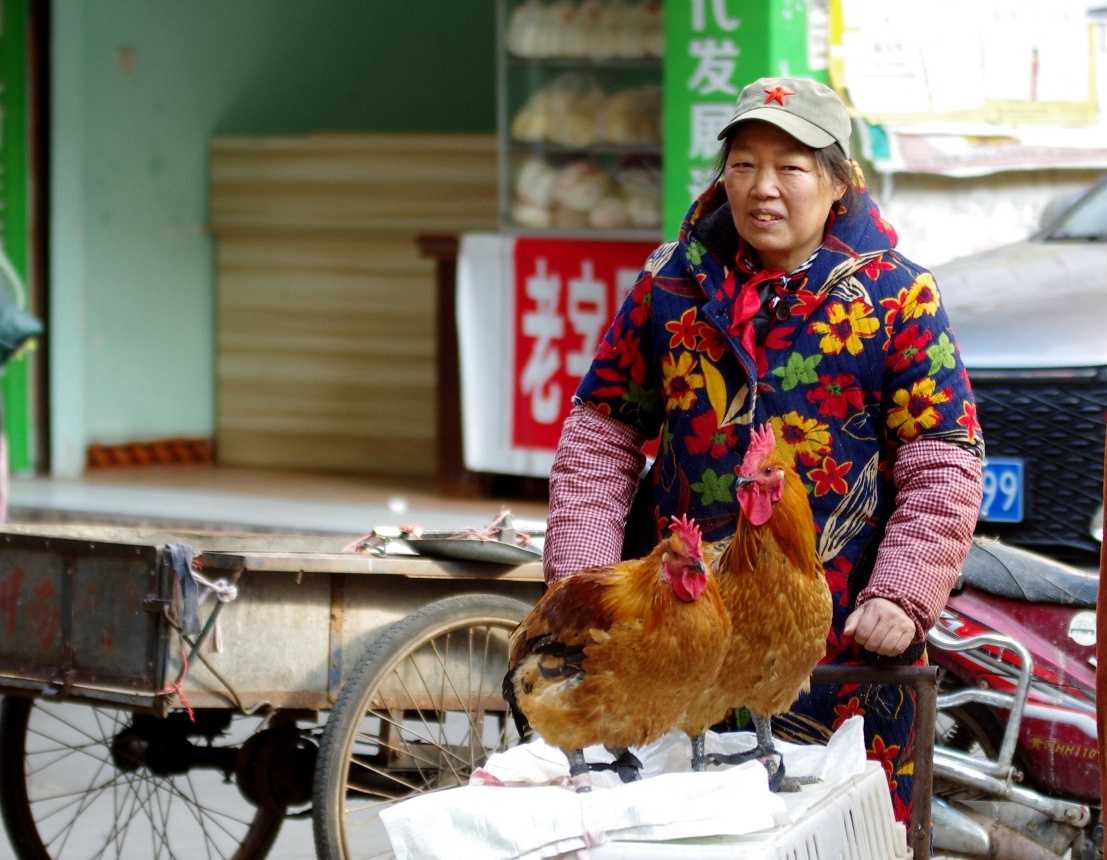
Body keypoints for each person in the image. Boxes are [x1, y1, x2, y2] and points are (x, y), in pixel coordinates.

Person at [542, 76, 985, 823]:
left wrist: (902, 592)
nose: (762, 189)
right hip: (675, 637)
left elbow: (941, 453)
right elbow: (603, 430)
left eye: (791, 167)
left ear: (840, 181)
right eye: (743, 164)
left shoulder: (894, 296)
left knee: (838, 828)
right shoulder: (669, 284)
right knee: (667, 829)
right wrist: (582, 580)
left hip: (839, 633)